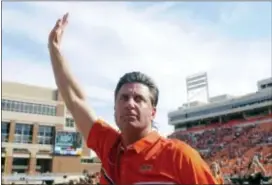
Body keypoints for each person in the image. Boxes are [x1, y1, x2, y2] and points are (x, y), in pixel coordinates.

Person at [48, 13, 218, 184]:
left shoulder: (180, 157)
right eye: (123, 98)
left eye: (139, 99)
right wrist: (54, 49)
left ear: (153, 112)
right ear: (115, 108)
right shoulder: (109, 147)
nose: (130, 103)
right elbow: (75, 99)